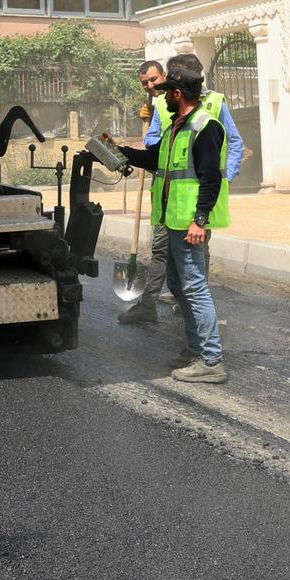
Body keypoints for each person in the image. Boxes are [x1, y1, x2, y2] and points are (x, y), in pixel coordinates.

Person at [117, 56, 230, 384]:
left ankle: (211, 360)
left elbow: (210, 179)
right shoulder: (176, 127)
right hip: (171, 219)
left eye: (167, 91)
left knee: (194, 286)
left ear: (178, 93)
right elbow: (153, 160)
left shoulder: (205, 127)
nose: (162, 95)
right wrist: (119, 151)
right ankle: (196, 349)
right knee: (179, 285)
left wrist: (200, 220)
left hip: (189, 223)